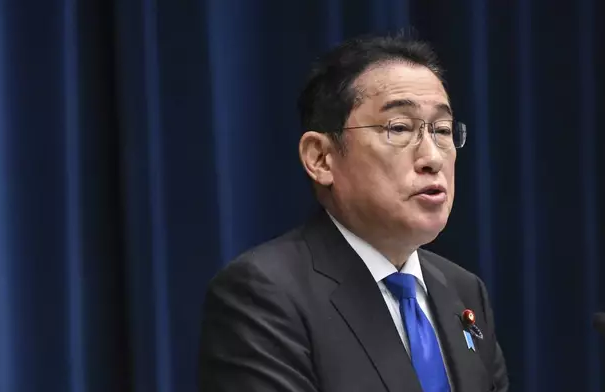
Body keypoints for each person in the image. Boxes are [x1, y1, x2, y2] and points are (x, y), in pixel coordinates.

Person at [198, 32, 509, 392]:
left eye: (441, 130)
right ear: (320, 158)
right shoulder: (265, 295)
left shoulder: (464, 291)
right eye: (399, 128)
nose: (433, 157)